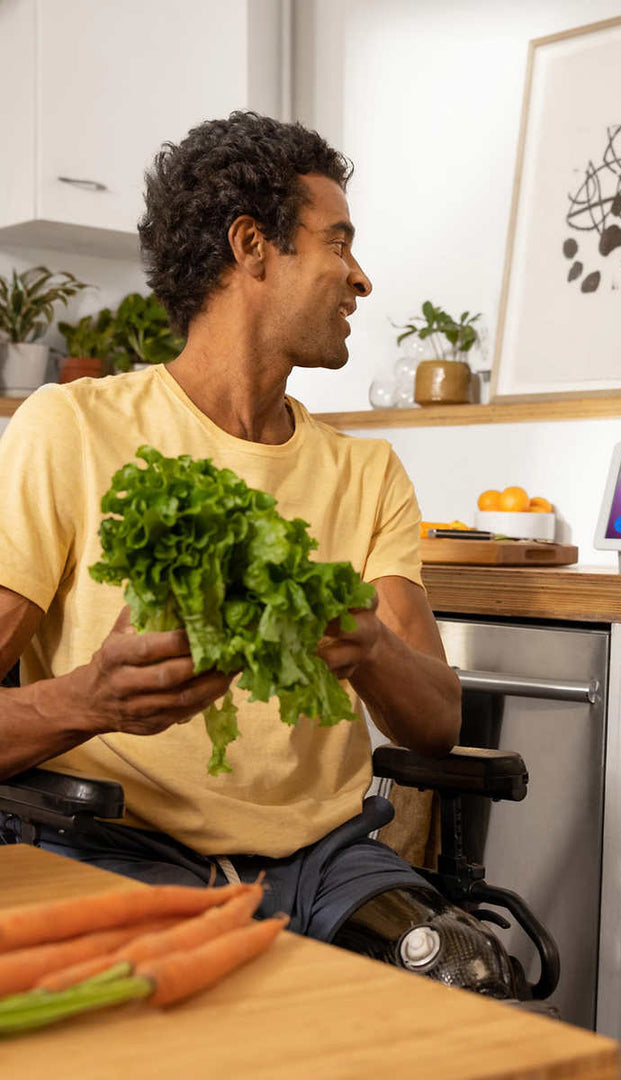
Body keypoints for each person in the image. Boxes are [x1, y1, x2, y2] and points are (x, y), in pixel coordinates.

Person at [0, 112, 520, 994]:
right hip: (118, 847)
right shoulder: (70, 428)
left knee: (470, 980)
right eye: (339, 244)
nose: (361, 276)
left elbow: (436, 722)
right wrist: (86, 700)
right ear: (252, 247)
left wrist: (369, 648)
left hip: (325, 867)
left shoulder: (366, 471)